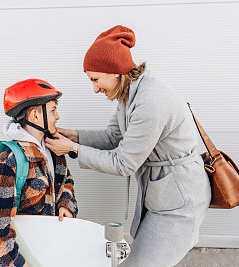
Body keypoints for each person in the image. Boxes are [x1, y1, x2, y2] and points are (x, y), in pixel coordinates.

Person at [45, 25, 211, 266]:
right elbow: (115, 136)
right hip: (161, 195)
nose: (95, 88)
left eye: (95, 79)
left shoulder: (150, 102)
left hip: (180, 201)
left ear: (114, 71)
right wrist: (75, 136)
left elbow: (124, 163)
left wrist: (72, 148)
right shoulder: (128, 94)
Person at [0, 79, 78, 267]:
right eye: (52, 110)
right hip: (22, 258)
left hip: (50, 251)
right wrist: (16, 263)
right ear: (35, 115)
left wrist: (65, 205)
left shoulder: (53, 149)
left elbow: (66, 180)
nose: (58, 116)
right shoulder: (9, 160)